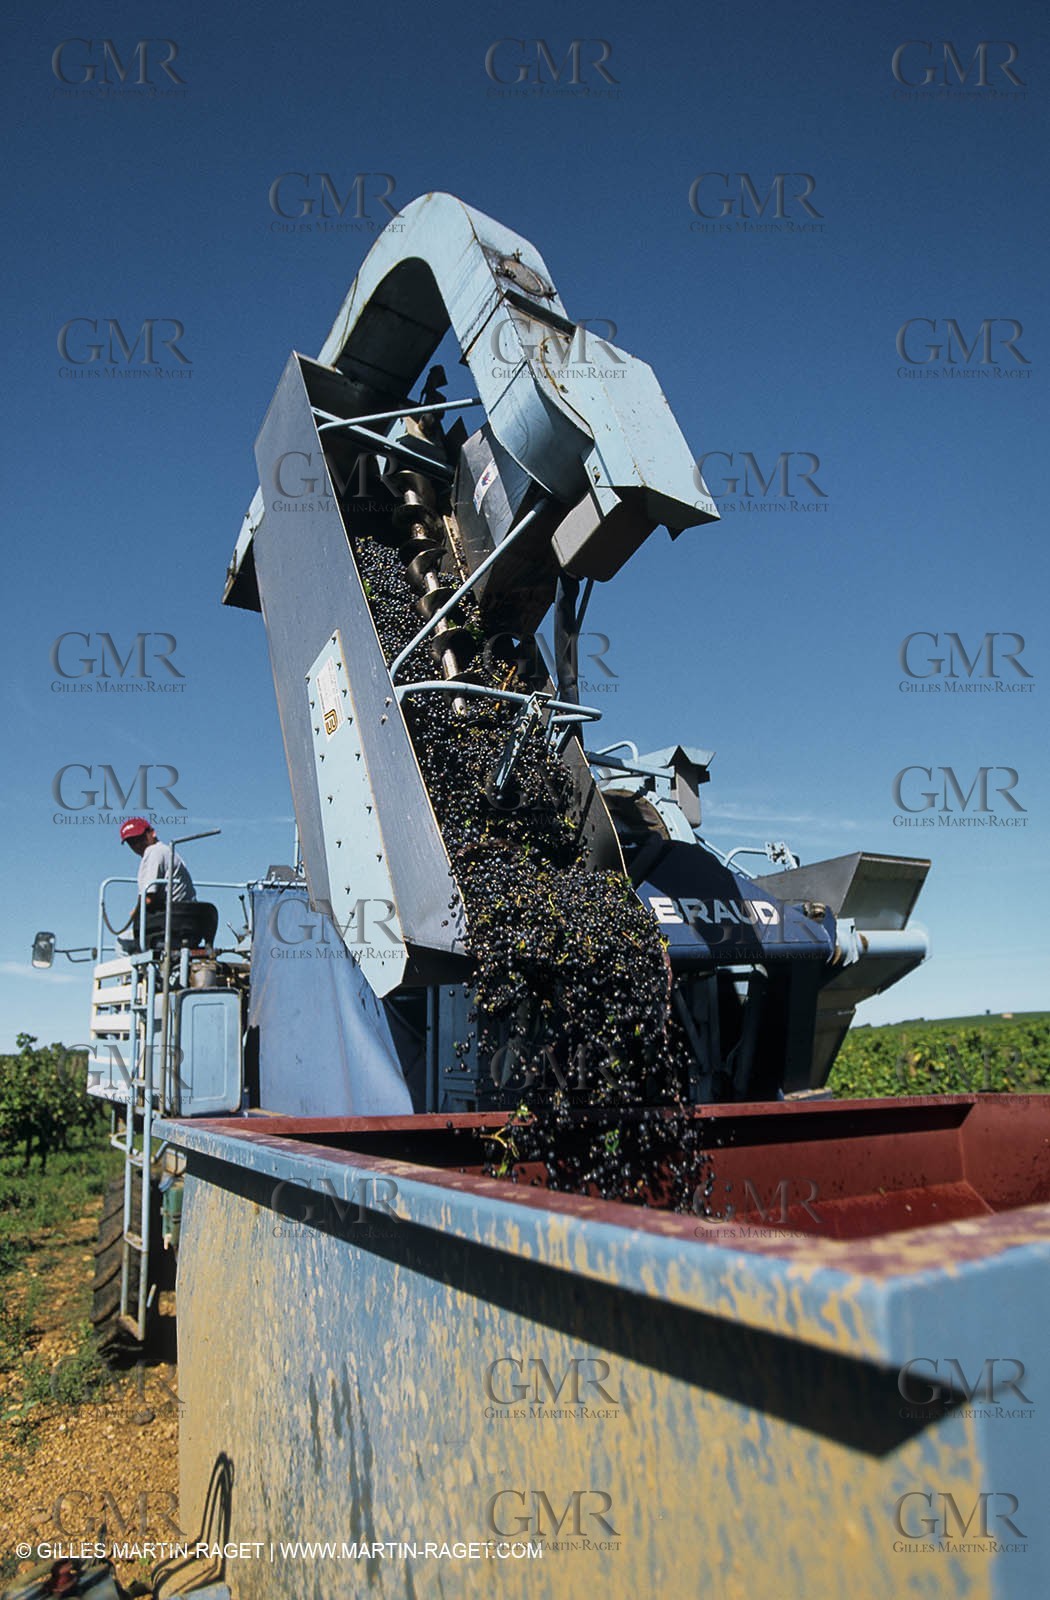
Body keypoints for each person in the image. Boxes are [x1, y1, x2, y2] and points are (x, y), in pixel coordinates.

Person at [118, 817, 198, 951]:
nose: (136, 844)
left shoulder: (153, 852)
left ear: (152, 833)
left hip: (167, 926)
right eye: (131, 842)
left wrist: (135, 913)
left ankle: (143, 971)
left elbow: (149, 898)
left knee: (121, 943)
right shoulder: (169, 852)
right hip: (190, 925)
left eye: (139, 838)